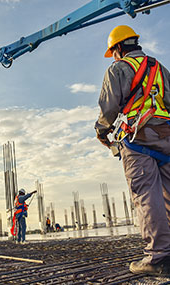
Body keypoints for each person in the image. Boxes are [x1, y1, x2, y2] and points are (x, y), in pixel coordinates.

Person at [95, 25, 170, 276]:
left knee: (147, 196)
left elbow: (109, 108)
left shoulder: (118, 69)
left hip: (138, 139)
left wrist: (101, 131)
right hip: (167, 135)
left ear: (117, 48)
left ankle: (158, 257)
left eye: (113, 51)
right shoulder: (158, 67)